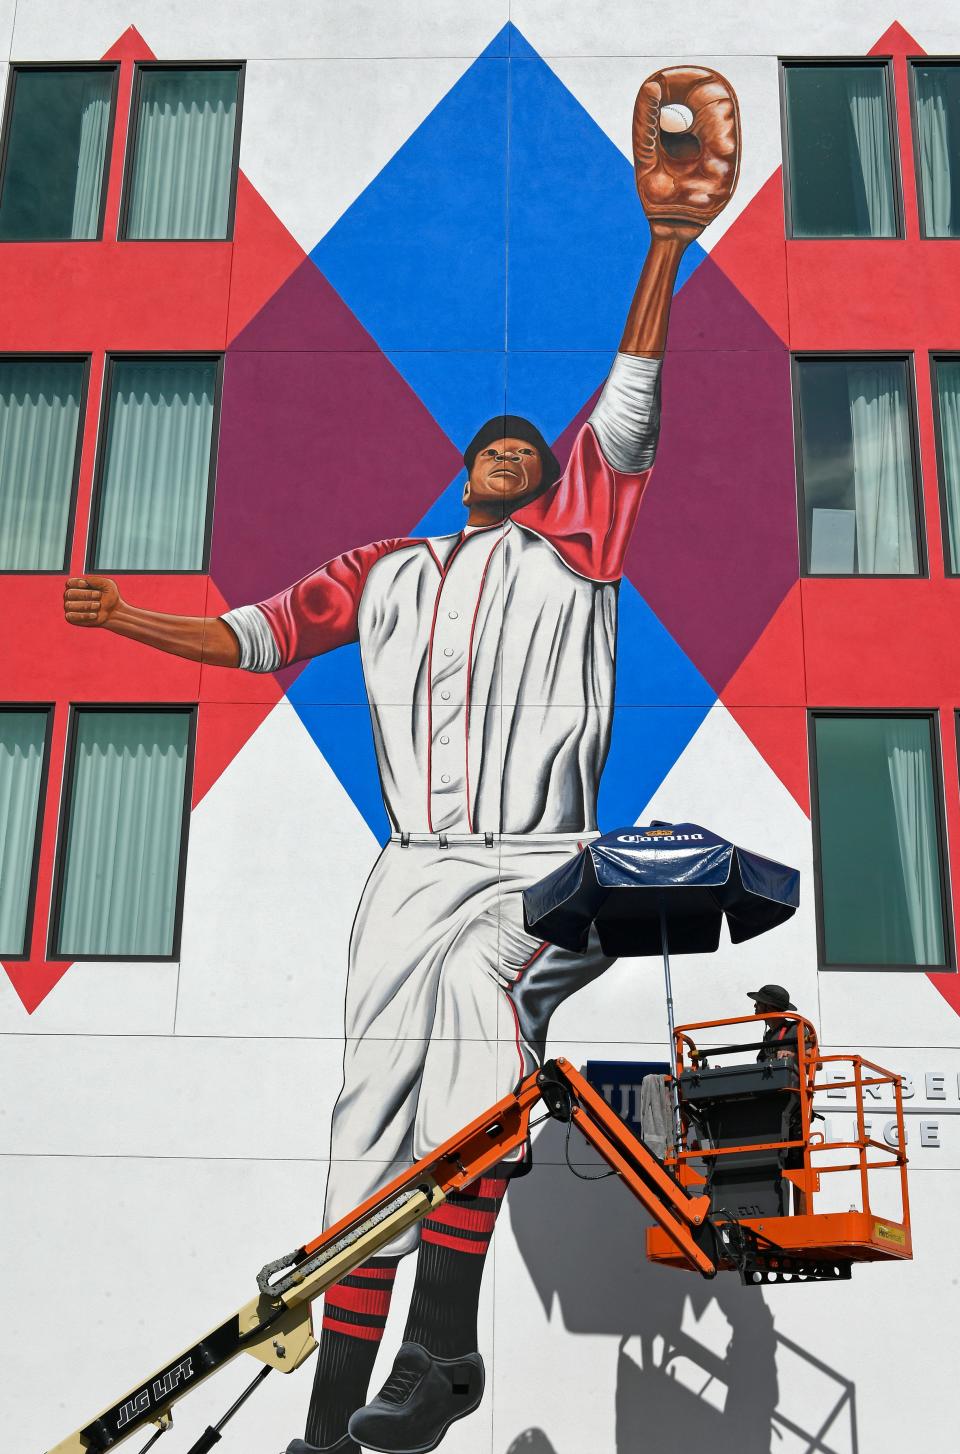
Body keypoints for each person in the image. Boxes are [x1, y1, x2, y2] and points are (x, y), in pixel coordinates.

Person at [63, 67, 740, 1454]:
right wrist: (127, 616)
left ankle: (446, 1348)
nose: (507, 449)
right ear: (464, 472)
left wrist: (666, 244)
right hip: (408, 873)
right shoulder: (389, 571)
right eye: (487, 443)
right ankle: (334, 1424)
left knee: (477, 1015)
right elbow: (258, 635)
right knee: (367, 1141)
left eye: (523, 444)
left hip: (539, 861)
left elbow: (632, 394)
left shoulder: (581, 537)